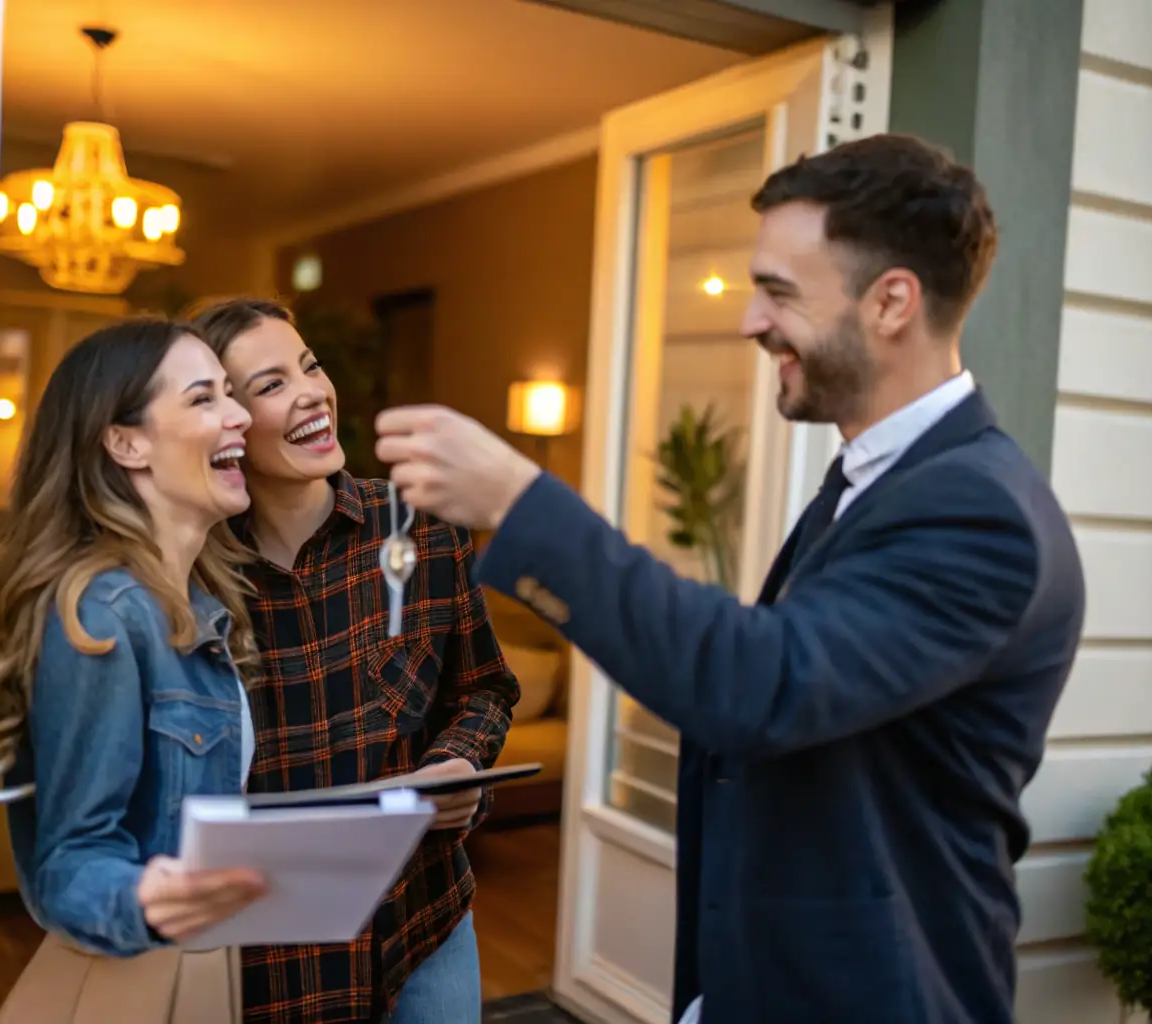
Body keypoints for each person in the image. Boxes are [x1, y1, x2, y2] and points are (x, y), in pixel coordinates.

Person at [372, 134, 1087, 1023]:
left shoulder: (976, 512)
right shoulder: (876, 480)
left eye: (778, 292)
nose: (751, 321)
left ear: (891, 301)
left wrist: (523, 504)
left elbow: (763, 683)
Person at [192, 298, 520, 1024]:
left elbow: (485, 688)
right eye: (272, 384)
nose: (312, 390)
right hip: (268, 955)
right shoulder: (190, 577)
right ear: (226, 423)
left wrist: (462, 764)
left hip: (420, 921)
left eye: (309, 365)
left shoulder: (420, 528)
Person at [0, 319, 266, 1023]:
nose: (240, 416)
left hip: (196, 962)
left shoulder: (198, 605)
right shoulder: (101, 616)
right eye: (204, 399)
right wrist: (142, 898)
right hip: (129, 979)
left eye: (230, 394)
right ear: (126, 442)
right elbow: (70, 860)